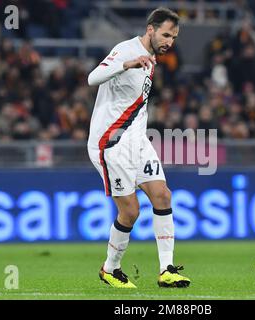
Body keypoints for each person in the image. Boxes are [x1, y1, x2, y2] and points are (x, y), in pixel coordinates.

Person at [86, 8, 190, 289]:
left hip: (137, 140)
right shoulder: (125, 50)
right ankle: (110, 268)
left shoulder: (153, 59)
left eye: (174, 37)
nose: (170, 41)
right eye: (166, 34)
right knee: (130, 211)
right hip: (111, 142)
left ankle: (167, 270)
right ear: (151, 29)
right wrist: (126, 64)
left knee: (162, 195)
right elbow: (92, 78)